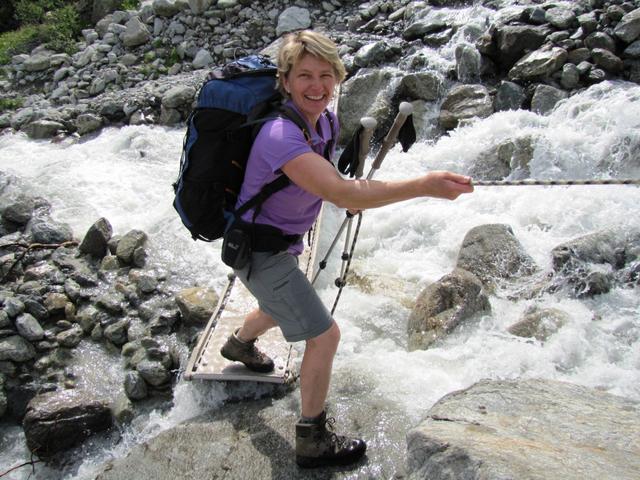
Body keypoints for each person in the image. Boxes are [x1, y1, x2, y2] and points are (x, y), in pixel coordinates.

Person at [220, 30, 474, 468]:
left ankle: (239, 345)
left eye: (326, 75)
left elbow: (329, 182)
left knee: (280, 304)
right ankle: (312, 440)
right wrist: (424, 185)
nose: (316, 86)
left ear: (337, 78)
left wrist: (347, 192)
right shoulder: (280, 134)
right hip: (259, 252)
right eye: (305, 76)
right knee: (324, 335)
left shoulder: (324, 122)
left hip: (281, 244)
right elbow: (340, 191)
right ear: (285, 80)